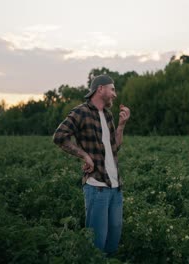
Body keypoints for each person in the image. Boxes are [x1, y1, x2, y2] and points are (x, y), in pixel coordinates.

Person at [53, 74, 130, 255]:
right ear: (100, 89)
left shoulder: (109, 116)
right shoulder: (81, 112)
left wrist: (121, 126)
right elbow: (59, 136)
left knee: (112, 245)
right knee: (96, 246)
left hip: (115, 187)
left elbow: (115, 146)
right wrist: (84, 155)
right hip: (97, 188)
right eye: (112, 89)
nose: (115, 94)